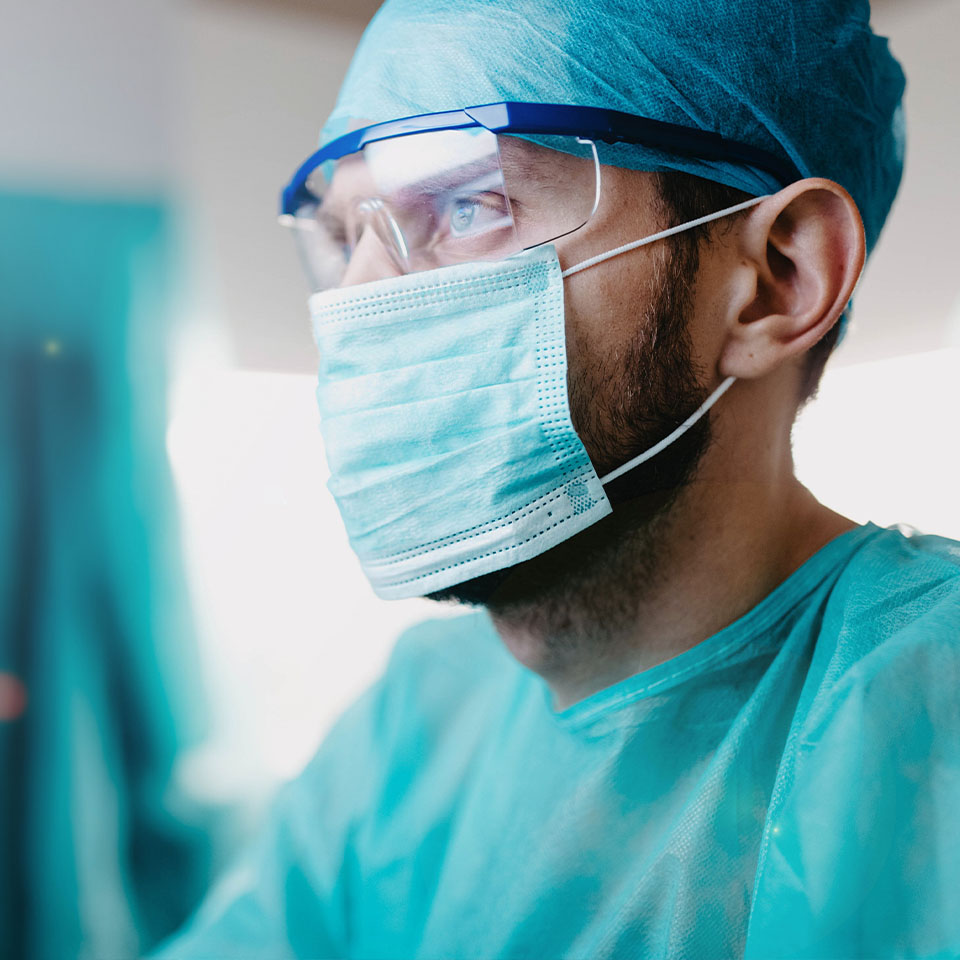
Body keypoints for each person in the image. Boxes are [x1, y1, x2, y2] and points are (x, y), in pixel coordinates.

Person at [159, 0, 960, 957]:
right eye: (342, 236)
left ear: (777, 280)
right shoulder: (417, 719)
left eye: (473, 205)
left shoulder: (923, 711)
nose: (360, 298)